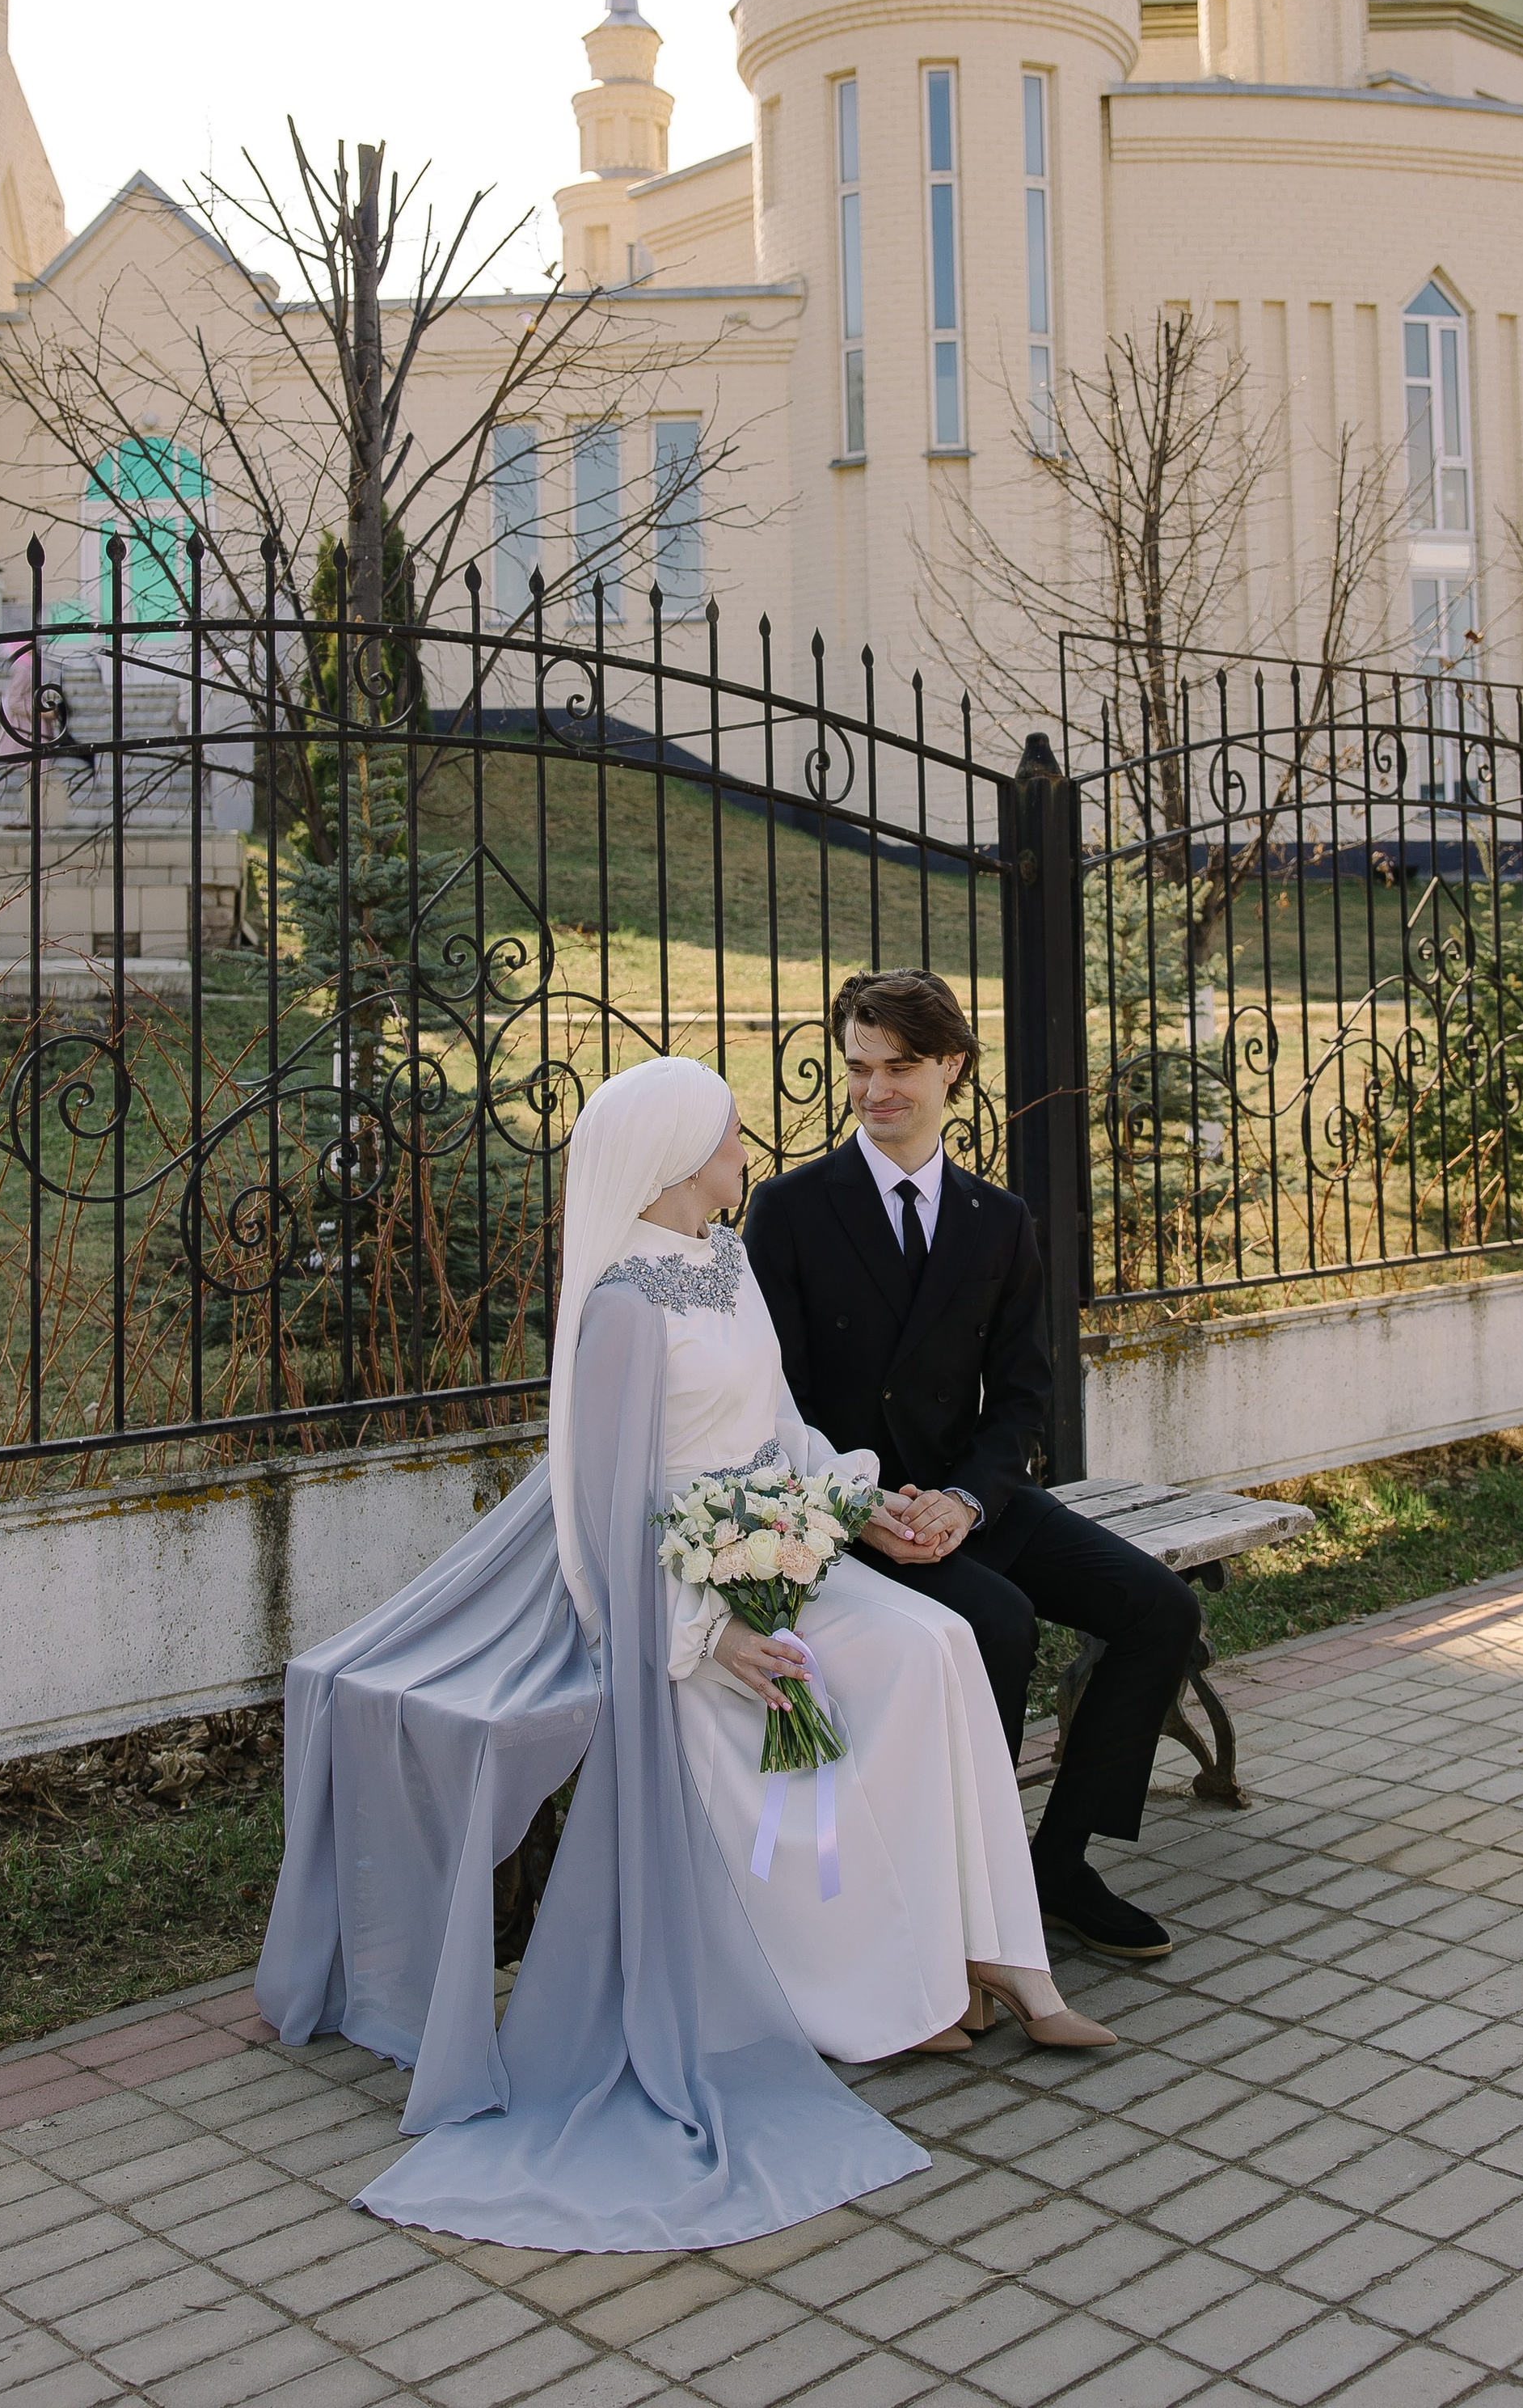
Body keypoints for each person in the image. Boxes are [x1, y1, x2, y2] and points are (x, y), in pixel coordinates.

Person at [255, 1054, 1102, 2259]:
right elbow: (607, 1513)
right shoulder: (620, 1307)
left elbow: (779, 1429)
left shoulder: (725, 1261)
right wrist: (716, 1635)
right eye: (731, 1133)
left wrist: (853, 1505)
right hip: (681, 1601)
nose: (748, 1150)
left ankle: (972, 1958)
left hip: (779, 1546)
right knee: (822, 1693)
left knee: (939, 1643)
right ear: (673, 1157)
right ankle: (865, 2000)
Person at [744, 968, 1204, 1962]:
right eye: (859, 1067)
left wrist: (964, 1499)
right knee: (997, 1621)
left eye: (898, 1066)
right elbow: (768, 1401)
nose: (873, 1091)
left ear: (952, 1065)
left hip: (969, 1498)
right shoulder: (788, 1210)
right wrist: (856, 1504)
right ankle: (964, 1883)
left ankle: (1059, 1862)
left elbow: (1024, 1397)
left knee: (1159, 1608)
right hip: (853, 1509)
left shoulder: (1000, 1220)